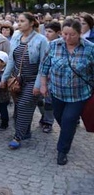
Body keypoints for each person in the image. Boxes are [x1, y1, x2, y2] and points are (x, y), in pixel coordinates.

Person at [40, 19, 94, 165]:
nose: (68, 38)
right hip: (57, 92)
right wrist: (43, 85)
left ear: (80, 33)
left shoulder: (90, 48)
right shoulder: (53, 45)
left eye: (72, 35)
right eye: (65, 34)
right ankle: (68, 133)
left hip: (79, 94)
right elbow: (44, 67)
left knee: (69, 119)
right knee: (61, 118)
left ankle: (62, 151)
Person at [0, 12, 48, 150]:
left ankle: (18, 136)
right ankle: (25, 132)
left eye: (22, 21)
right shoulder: (16, 36)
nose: (19, 23)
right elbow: (11, 59)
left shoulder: (41, 40)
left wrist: (39, 84)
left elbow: (43, 65)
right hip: (17, 80)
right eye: (18, 21)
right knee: (18, 108)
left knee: (23, 106)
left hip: (33, 79)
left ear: (32, 23)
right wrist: (4, 78)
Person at [33, 21, 62, 133]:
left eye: (50, 31)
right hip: (40, 75)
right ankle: (44, 115)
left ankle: (49, 122)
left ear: (58, 32)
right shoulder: (42, 42)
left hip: (53, 78)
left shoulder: (60, 44)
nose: (47, 33)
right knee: (38, 99)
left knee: (49, 101)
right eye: (46, 31)